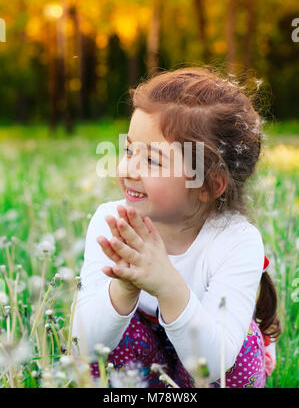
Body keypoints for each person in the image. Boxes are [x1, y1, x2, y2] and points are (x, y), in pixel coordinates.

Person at [71, 67, 281, 388]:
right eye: (129, 150)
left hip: (204, 363)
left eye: (153, 161)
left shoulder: (237, 240)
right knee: (108, 332)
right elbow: (83, 346)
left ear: (208, 186)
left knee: (238, 350)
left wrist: (167, 284)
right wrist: (125, 288)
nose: (128, 168)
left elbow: (211, 366)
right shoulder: (112, 222)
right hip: (142, 365)